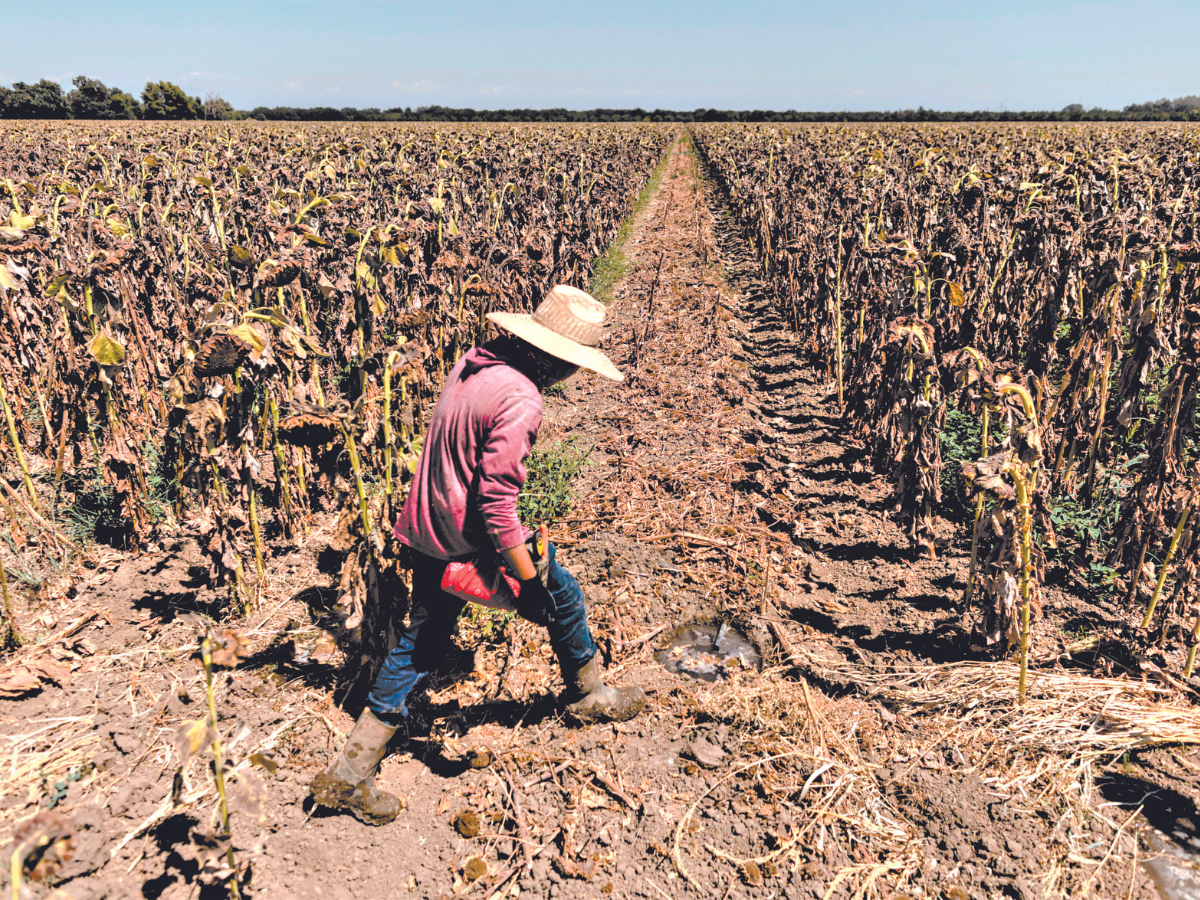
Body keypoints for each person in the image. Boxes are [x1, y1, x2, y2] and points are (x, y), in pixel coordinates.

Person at [311, 285, 647, 825]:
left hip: (425, 527)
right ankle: (589, 694)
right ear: (559, 361)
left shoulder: (475, 362)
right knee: (560, 592)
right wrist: (529, 585)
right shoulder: (522, 399)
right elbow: (496, 503)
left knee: (420, 644)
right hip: (463, 541)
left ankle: (350, 773)